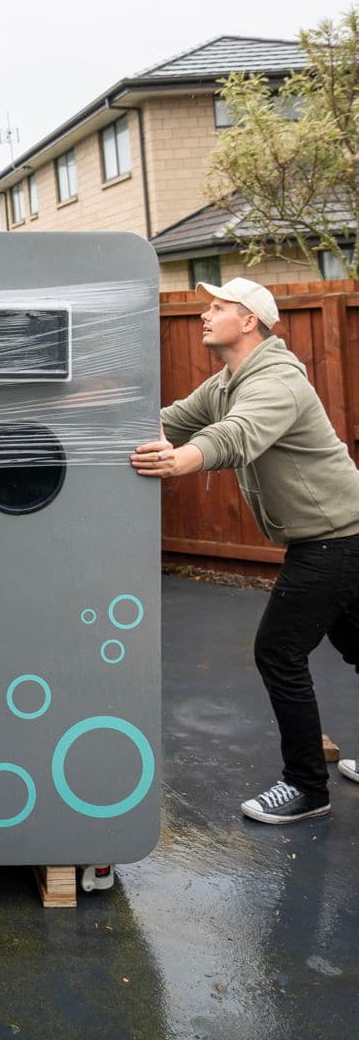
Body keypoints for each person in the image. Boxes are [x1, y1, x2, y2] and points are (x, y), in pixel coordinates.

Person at [130, 275, 359, 824]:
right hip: (336, 534)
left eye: (217, 306)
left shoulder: (276, 381)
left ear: (249, 319)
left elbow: (237, 435)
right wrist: (95, 426)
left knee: (278, 651)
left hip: (335, 539)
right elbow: (172, 418)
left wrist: (179, 462)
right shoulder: (229, 380)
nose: (203, 314)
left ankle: (307, 787)